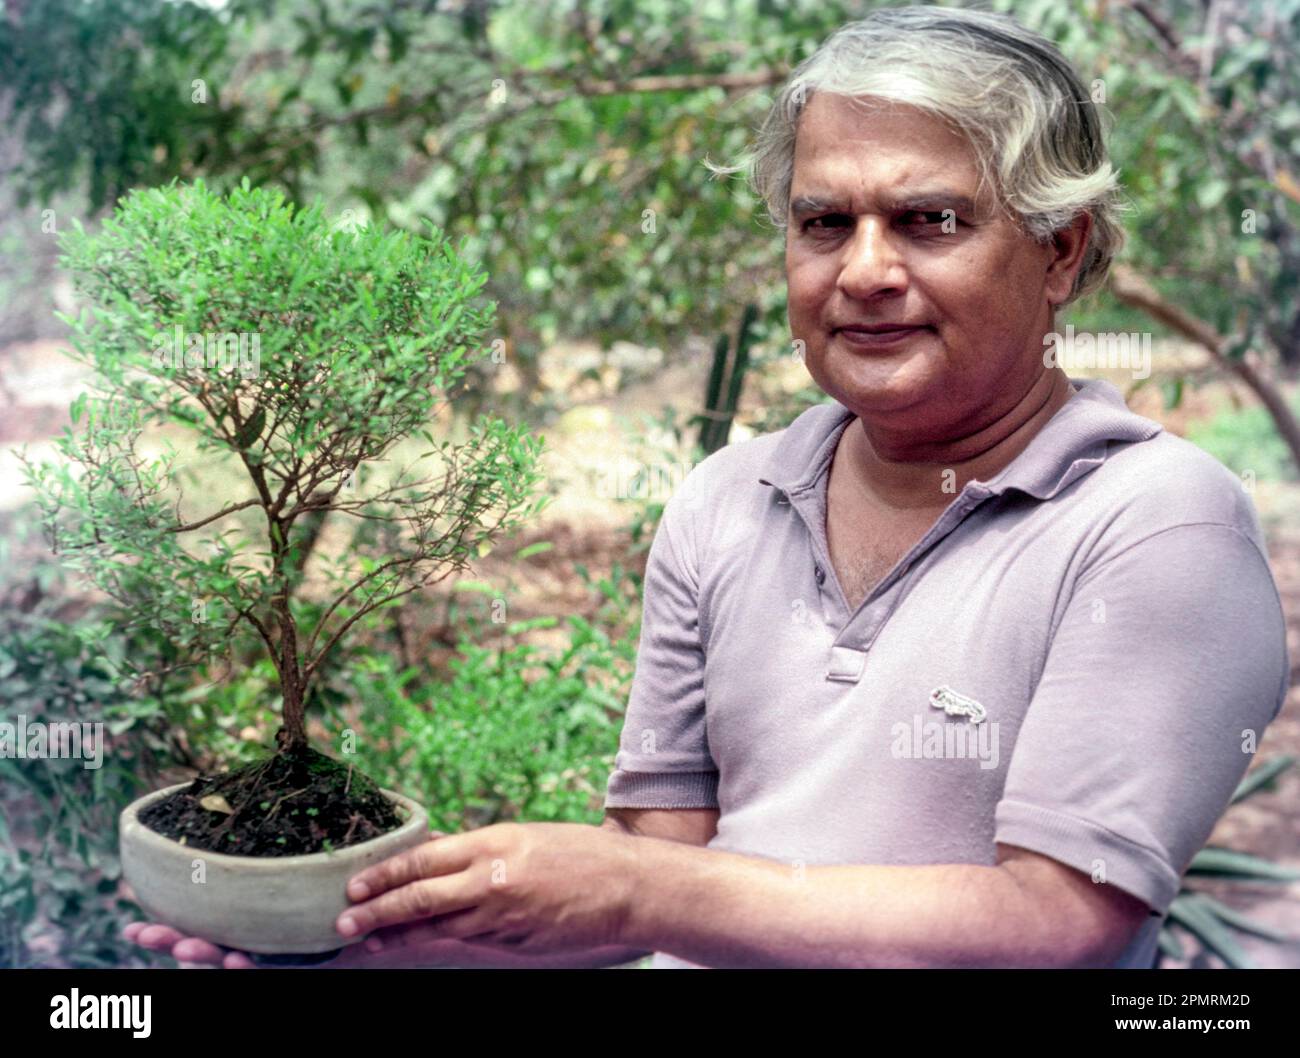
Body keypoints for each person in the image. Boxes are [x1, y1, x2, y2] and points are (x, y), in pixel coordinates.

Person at [128, 5, 1289, 970]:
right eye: (823, 221)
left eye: (930, 220)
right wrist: (373, 943)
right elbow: (659, 868)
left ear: (1062, 251)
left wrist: (638, 888)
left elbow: (1059, 924)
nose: (866, 270)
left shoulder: (1149, 524)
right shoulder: (729, 500)